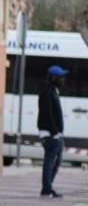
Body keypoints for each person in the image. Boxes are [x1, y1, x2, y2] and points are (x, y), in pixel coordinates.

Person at [37, 65, 68, 198]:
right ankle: (46, 189)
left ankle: (48, 186)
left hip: (56, 134)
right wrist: (54, 132)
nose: (63, 80)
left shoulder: (53, 90)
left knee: (57, 159)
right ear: (54, 78)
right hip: (50, 134)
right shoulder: (46, 91)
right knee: (49, 161)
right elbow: (47, 113)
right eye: (61, 77)